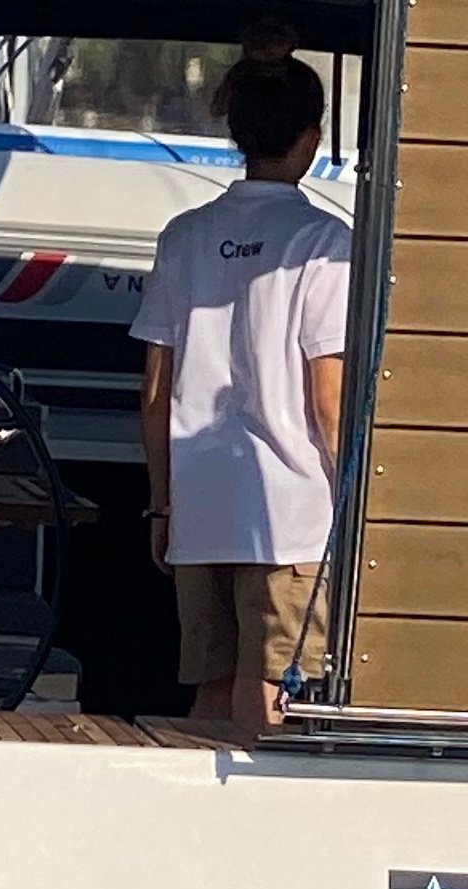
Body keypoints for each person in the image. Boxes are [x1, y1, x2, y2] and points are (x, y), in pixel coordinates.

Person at [135, 51, 349, 728]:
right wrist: (358, 503)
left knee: (210, 691)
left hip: (200, 504)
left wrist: (161, 505)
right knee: (276, 692)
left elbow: (156, 388)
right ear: (311, 138)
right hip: (291, 513)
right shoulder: (325, 242)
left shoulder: (185, 236)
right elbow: (328, 399)